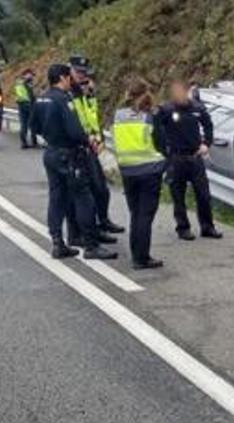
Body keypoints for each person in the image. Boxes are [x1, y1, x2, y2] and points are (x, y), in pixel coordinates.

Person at [30, 64, 116, 260]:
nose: (71, 81)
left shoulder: (42, 98)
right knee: (83, 197)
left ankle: (58, 243)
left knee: (57, 198)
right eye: (69, 77)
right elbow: (75, 131)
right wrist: (88, 141)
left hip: (51, 153)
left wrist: (52, 136)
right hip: (69, 154)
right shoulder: (63, 100)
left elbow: (33, 127)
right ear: (62, 78)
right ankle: (91, 245)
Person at [155, 80, 222, 240]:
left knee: (203, 194)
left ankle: (207, 226)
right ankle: (183, 227)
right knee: (178, 195)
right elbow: (156, 131)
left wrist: (206, 143)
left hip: (195, 156)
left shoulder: (197, 108)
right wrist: (165, 151)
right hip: (176, 158)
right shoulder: (166, 110)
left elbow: (208, 125)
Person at [69, 54, 125, 238]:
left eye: (85, 74)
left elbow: (92, 117)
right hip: (80, 147)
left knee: (101, 188)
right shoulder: (69, 93)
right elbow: (74, 121)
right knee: (90, 191)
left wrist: (90, 95)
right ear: (70, 72)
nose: (83, 77)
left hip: (94, 146)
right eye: (79, 73)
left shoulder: (86, 93)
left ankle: (103, 221)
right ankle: (91, 229)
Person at [111, 79, 166, 270]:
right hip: (149, 170)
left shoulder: (118, 116)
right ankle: (141, 258)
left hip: (128, 171)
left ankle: (137, 255)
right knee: (145, 216)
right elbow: (161, 143)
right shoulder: (150, 117)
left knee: (135, 214)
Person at [14, 68, 37, 149]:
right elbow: (29, 95)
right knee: (32, 123)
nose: (32, 77)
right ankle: (34, 142)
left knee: (24, 124)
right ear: (26, 74)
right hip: (27, 105)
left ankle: (24, 143)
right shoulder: (24, 83)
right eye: (31, 75)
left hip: (22, 105)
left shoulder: (19, 82)